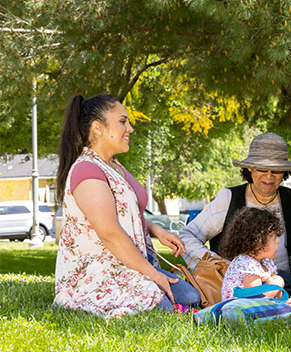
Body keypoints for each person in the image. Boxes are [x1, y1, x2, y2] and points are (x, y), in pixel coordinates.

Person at [54, 93, 200, 317]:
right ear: (98, 127)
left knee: (191, 298)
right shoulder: (87, 170)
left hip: (129, 264)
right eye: (122, 122)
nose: (130, 128)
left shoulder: (113, 165)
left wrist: (157, 230)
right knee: (164, 309)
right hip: (101, 271)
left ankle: (149, 286)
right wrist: (154, 274)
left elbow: (127, 213)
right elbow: (110, 233)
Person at [180, 132, 291, 294]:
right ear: (249, 168)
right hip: (236, 289)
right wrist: (217, 264)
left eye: (276, 170)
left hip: (287, 284)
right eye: (261, 169)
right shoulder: (228, 198)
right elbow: (186, 236)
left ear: (284, 171)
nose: (269, 176)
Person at [220, 207, 286, 301]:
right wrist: (279, 282)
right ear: (258, 242)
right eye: (274, 237)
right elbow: (257, 299)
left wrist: (276, 288)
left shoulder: (266, 262)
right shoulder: (245, 264)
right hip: (242, 312)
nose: (278, 240)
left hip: (263, 308)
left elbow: (278, 297)